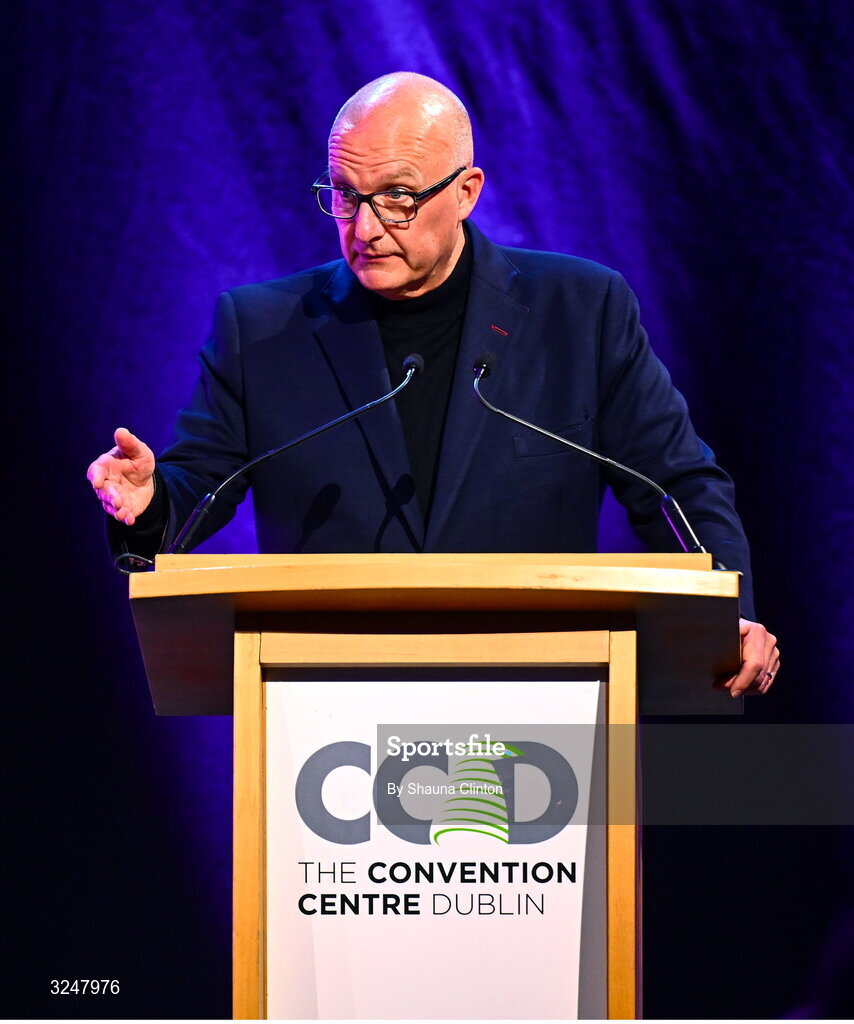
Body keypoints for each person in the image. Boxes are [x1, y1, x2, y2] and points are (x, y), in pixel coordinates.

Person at [87, 72, 779, 696]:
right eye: (344, 196)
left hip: (538, 695)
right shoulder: (264, 331)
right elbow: (192, 492)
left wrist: (729, 613)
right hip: (328, 706)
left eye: (396, 198)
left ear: (467, 192)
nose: (364, 227)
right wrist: (148, 503)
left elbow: (675, 488)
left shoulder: (580, 312)